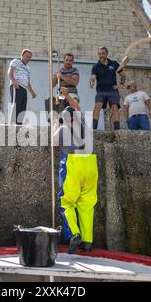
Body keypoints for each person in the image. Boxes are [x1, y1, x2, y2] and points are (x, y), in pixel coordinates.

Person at [53, 87, 98, 254]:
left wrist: (58, 120)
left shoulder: (63, 129)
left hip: (73, 164)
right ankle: (87, 241)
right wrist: (66, 96)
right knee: (87, 205)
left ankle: (74, 234)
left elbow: (53, 139)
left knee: (66, 203)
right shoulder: (84, 125)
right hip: (91, 165)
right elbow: (77, 108)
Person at [89, 46, 126, 130]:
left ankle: (117, 130)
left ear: (107, 54)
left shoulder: (114, 63)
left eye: (103, 53)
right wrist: (92, 81)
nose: (101, 55)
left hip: (112, 91)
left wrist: (120, 84)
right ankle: (94, 129)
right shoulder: (96, 66)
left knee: (115, 107)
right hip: (101, 91)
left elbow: (123, 75)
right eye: (99, 54)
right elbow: (93, 76)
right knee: (97, 106)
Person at [8, 49, 37, 125]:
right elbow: (10, 72)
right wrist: (13, 81)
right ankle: (12, 124)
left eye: (30, 57)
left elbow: (27, 82)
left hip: (24, 89)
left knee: (23, 108)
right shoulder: (16, 61)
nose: (28, 59)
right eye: (27, 56)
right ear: (22, 55)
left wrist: (32, 92)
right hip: (16, 86)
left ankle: (19, 125)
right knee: (15, 105)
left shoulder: (28, 69)